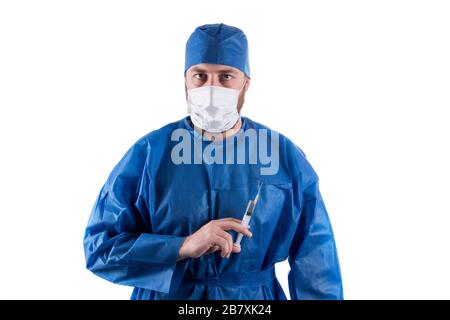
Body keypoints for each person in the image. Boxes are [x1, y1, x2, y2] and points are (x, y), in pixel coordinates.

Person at [83, 23, 343, 300]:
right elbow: (100, 249)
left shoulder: (283, 157)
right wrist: (181, 247)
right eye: (200, 76)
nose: (211, 89)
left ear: (246, 82)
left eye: (226, 76)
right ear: (185, 80)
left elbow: (316, 263)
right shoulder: (150, 153)